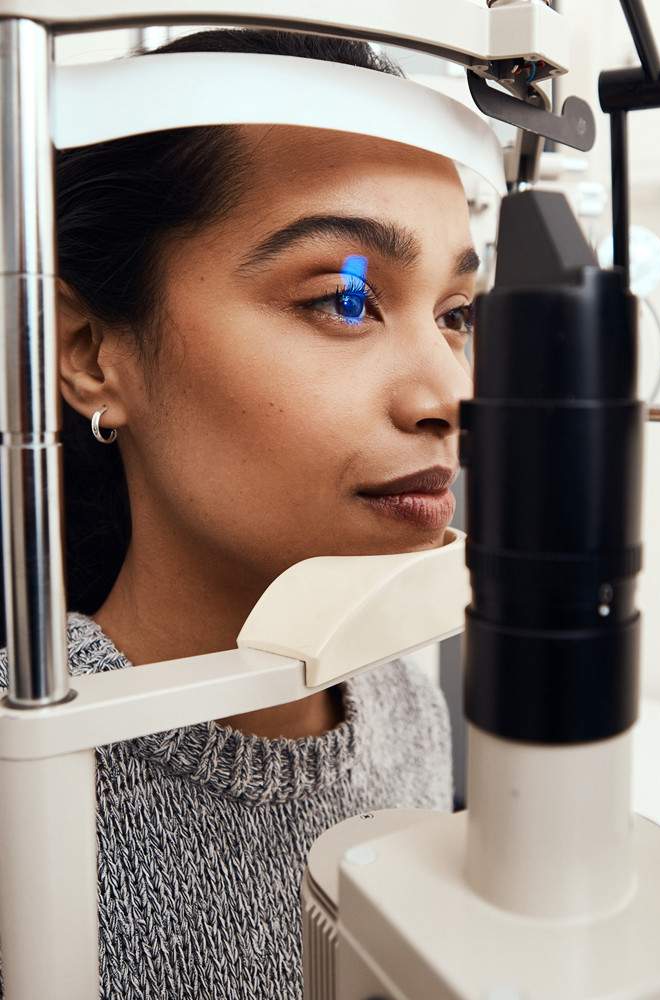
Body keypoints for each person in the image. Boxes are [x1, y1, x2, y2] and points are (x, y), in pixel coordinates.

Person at [0, 27, 478, 1000]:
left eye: (456, 312)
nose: (450, 392)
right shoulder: (26, 789)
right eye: (345, 296)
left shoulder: (405, 702)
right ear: (90, 350)